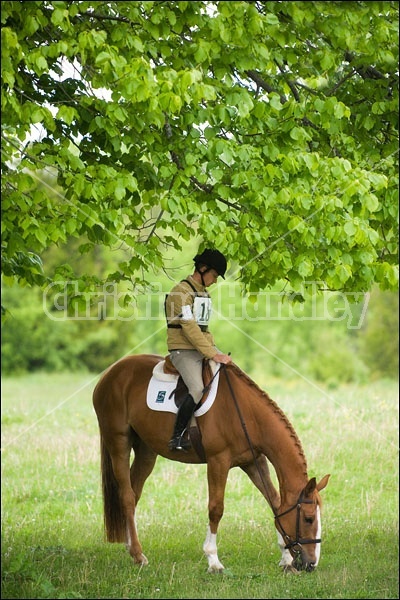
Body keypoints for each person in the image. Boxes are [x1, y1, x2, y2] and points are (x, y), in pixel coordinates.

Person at [165, 248, 232, 451]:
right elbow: (190, 329)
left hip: (201, 347)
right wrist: (212, 354)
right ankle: (177, 436)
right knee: (196, 388)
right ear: (202, 269)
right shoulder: (180, 293)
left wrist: (214, 349)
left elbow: (203, 328)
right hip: (182, 350)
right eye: (214, 275)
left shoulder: (203, 293)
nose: (215, 280)